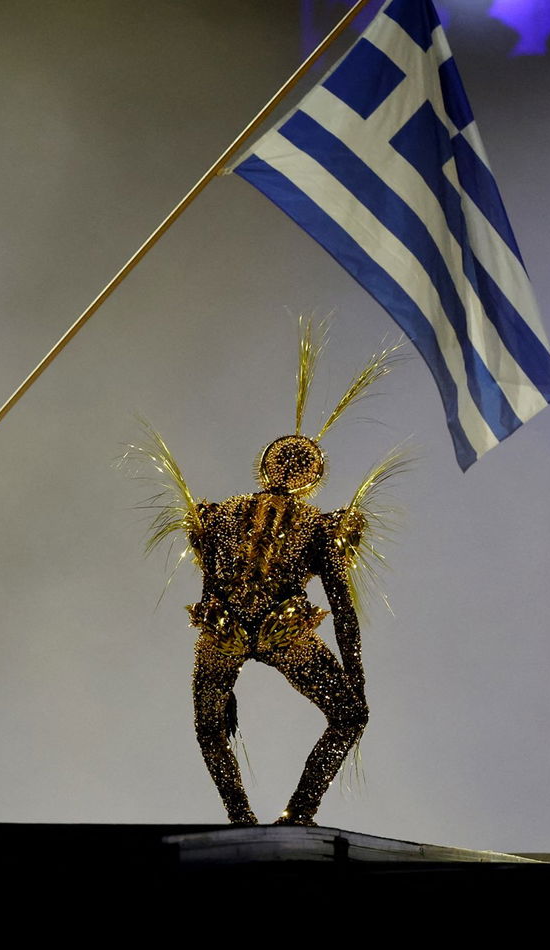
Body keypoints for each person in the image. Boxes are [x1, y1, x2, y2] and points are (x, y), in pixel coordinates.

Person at [130, 321, 407, 826]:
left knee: (209, 728)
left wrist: (227, 675)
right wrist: (356, 677)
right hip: (286, 632)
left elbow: (213, 583)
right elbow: (343, 610)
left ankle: (240, 817)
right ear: (311, 480)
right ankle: (299, 813)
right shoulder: (319, 526)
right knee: (349, 717)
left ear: (265, 468)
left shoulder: (215, 516)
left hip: (222, 632)